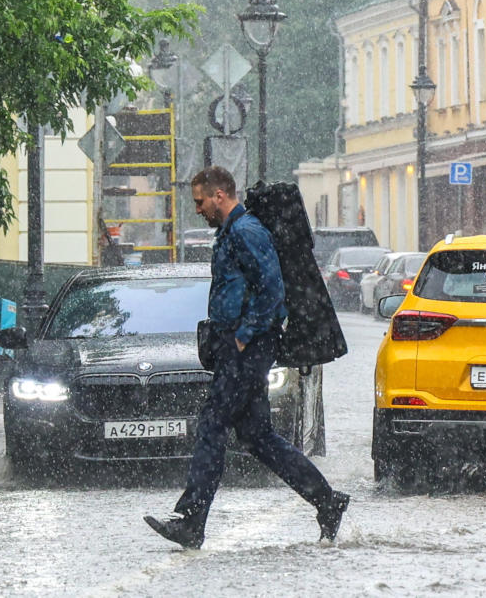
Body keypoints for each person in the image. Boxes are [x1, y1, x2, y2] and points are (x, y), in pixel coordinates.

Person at [144, 166, 350, 549]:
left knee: (212, 424)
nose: (198, 209)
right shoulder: (231, 232)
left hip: (248, 348)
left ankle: (192, 520)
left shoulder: (246, 231)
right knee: (257, 436)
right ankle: (327, 500)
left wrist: (243, 336)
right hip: (238, 346)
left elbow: (272, 290)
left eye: (201, 201)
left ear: (219, 196)